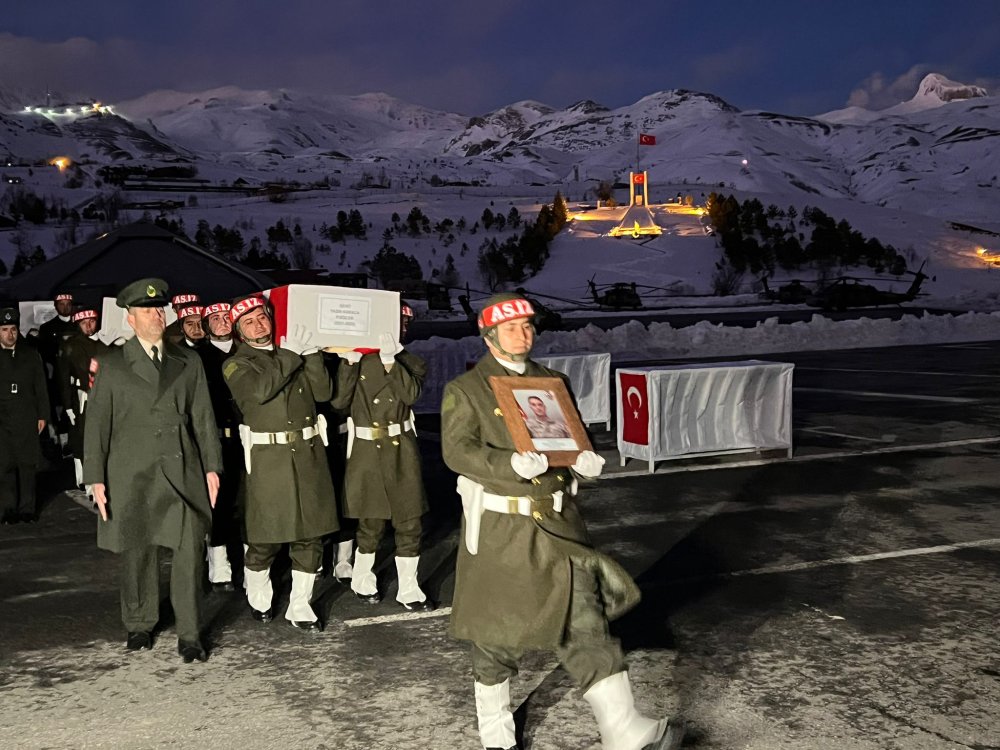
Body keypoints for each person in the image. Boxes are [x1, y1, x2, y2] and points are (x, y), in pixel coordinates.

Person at [441, 292, 683, 750]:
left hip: (558, 524)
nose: (523, 335)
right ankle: (496, 732)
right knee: (496, 633)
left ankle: (624, 730)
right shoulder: (466, 389)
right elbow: (457, 451)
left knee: (584, 618)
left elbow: (570, 436)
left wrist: (584, 459)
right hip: (503, 530)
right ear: (489, 337)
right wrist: (508, 465)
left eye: (528, 326)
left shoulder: (552, 382)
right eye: (511, 328)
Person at [83, 278, 222, 663]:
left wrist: (212, 466)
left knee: (189, 551)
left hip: (182, 469)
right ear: (130, 319)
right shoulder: (112, 364)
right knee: (138, 551)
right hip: (133, 472)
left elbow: (203, 417)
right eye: (147, 311)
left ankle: (190, 634)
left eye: (159, 309)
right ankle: (139, 622)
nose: (156, 316)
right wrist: (95, 477)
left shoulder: (187, 360)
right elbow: (97, 424)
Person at [223, 295, 339, 633]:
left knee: (311, 533)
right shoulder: (236, 364)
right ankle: (259, 594)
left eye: (262, 317)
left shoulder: (293, 353)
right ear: (239, 332)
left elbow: (323, 394)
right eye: (249, 322)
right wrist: (290, 355)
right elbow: (259, 392)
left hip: (307, 453)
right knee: (265, 536)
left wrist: (312, 354)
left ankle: (300, 604)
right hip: (269, 459)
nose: (258, 325)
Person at [331, 301, 433, 610]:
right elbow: (339, 402)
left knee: (409, 521)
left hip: (401, 448)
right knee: (371, 521)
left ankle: (409, 587)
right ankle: (363, 580)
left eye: (405, 323)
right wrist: (349, 364)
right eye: (395, 320)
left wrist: (391, 363)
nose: (400, 327)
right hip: (367, 449)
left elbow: (410, 394)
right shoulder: (358, 360)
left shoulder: (411, 362)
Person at [194, 301, 242, 591]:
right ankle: (219, 562)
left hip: (248, 436)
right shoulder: (197, 358)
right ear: (206, 325)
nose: (223, 322)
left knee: (249, 500)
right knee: (219, 502)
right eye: (216, 318)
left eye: (227, 317)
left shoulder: (245, 350)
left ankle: (251, 562)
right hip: (217, 438)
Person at [0, 307, 49, 524]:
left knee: (27, 465)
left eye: (13, 329)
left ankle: (27, 509)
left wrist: (43, 415)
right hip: (2, 420)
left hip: (26, 416)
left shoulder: (30, 355)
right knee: (5, 465)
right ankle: (8, 509)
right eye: (4, 330)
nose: (9, 334)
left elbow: (40, 387)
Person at [56, 307, 109, 495]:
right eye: (84, 323)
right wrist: (68, 406)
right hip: (82, 397)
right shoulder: (71, 346)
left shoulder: (104, 344)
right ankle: (84, 478)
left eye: (92, 321)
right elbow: (63, 377)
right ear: (78, 324)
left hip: (103, 396)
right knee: (82, 437)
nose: (88, 326)